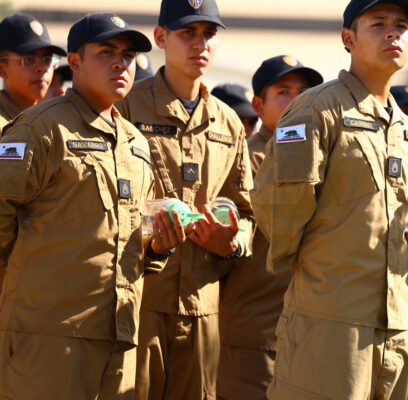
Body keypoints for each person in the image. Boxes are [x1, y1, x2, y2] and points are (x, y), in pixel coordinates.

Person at [251, 1, 408, 398]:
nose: (392, 33)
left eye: (401, 26)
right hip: (330, 320)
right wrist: (321, 273)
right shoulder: (317, 109)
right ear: (348, 38)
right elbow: (277, 207)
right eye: (378, 24)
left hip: (394, 328)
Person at [0, 13, 184, 398]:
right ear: (75, 62)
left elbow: (135, 239)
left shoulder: (135, 143)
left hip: (120, 336)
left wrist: (157, 246)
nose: (121, 63)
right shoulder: (40, 128)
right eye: (106, 52)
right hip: (49, 337)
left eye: (129, 55)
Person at [115, 0, 255, 398]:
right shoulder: (127, 106)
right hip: (140, 298)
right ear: (161, 37)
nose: (200, 43)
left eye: (208, 33)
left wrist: (231, 242)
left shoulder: (228, 121)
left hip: (203, 304)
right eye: (187, 33)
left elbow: (245, 212)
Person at [217, 54, 322, 400]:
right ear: (258, 104)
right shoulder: (244, 161)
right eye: (284, 92)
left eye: (305, 92)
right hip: (255, 332)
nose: (297, 101)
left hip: (308, 329)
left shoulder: (322, 160)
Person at [0, 13, 66, 129]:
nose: (42, 68)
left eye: (47, 59)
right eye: (29, 59)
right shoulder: (4, 126)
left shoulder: (56, 122)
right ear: (2, 69)